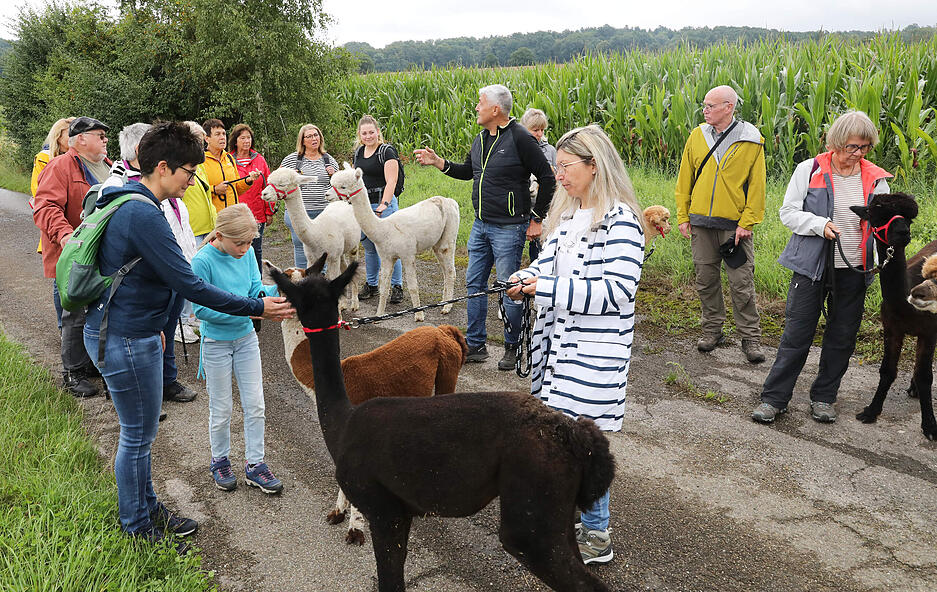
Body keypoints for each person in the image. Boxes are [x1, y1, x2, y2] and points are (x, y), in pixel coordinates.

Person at [81, 121, 293, 547]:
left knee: (142, 436)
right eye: (189, 172)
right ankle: (138, 527)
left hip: (132, 332)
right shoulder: (142, 213)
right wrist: (257, 308)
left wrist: (158, 327)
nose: (192, 181)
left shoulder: (136, 203)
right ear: (163, 167)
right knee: (137, 438)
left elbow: (148, 280)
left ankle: (147, 509)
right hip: (124, 338)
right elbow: (189, 284)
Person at [507, 124, 644, 565]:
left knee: (584, 444)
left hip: (594, 353)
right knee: (561, 441)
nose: (558, 175)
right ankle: (564, 523)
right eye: (557, 166)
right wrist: (524, 278)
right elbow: (545, 265)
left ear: (594, 165)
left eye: (566, 166)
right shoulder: (567, 218)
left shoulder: (622, 221)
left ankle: (597, 534)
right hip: (557, 347)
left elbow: (616, 291)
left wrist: (543, 288)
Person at [752, 111, 892, 425]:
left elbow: (883, 224)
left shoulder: (876, 179)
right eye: (853, 147)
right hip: (811, 267)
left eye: (865, 147)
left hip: (854, 269)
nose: (858, 154)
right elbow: (788, 213)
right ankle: (774, 399)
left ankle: (824, 398)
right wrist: (820, 224)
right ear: (836, 143)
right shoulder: (810, 169)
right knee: (796, 335)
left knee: (842, 337)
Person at [414, 85, 556, 370]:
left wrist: (536, 218)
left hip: (509, 229)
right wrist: (439, 163)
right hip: (480, 226)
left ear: (495, 109)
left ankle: (513, 346)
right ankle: (476, 345)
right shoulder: (480, 139)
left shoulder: (521, 138)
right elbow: (469, 171)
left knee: (509, 288)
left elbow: (547, 178)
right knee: (474, 284)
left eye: (480, 103)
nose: (476, 108)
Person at [192, 204, 284, 494]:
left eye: (249, 242)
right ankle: (220, 460)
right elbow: (202, 311)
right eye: (239, 243)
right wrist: (253, 310)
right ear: (219, 235)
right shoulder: (202, 262)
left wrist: (284, 287)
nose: (245, 249)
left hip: (246, 339)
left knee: (256, 404)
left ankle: (255, 464)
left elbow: (256, 291)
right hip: (216, 343)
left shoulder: (246, 254)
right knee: (221, 408)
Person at [675, 85, 767, 363]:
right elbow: (684, 178)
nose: (705, 111)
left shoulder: (751, 139)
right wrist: (683, 215)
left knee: (741, 284)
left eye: (710, 106)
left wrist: (747, 222)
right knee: (706, 280)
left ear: (729, 107)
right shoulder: (697, 135)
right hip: (701, 223)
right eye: (704, 105)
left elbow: (757, 186)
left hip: (734, 227)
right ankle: (712, 330)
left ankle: (750, 337)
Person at [33, 116, 113, 398]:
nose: (105, 139)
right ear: (81, 139)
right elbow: (45, 207)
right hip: (73, 257)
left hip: (102, 255)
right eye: (100, 135)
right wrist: (66, 236)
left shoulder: (108, 166)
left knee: (99, 312)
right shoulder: (60, 166)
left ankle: (90, 363)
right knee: (74, 314)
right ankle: (73, 373)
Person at [353, 115, 404, 304]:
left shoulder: (387, 152)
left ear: (378, 132)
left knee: (390, 248)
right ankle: (372, 284)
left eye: (371, 132)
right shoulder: (358, 153)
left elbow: (392, 180)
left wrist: (384, 204)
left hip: (384, 205)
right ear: (360, 135)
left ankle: (396, 286)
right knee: (369, 247)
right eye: (364, 133)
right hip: (364, 207)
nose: (368, 136)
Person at [30, 116, 74, 328]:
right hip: (56, 227)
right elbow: (39, 195)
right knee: (60, 277)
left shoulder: (85, 161)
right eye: (69, 134)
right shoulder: (44, 159)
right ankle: (63, 326)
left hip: (76, 225)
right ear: (58, 137)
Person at [279, 124, 339, 268]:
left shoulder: (329, 160)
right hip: (299, 212)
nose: (314, 139)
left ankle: (319, 276)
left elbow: (338, 187)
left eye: (316, 135)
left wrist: (334, 175)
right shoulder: (291, 160)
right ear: (302, 140)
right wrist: (290, 176)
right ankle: (302, 276)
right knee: (301, 245)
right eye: (309, 136)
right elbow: (277, 181)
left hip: (324, 213)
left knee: (323, 247)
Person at [228, 123, 272, 271]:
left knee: (255, 249)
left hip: (257, 213)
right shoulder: (228, 160)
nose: (247, 141)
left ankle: (257, 280)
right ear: (235, 141)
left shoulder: (259, 159)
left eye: (249, 138)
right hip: (236, 214)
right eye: (243, 138)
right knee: (237, 249)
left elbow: (267, 186)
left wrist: (269, 211)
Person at [520, 107, 557, 262]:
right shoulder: (517, 147)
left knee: (539, 248)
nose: (540, 134)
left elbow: (555, 178)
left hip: (541, 208)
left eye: (542, 130)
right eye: (535, 130)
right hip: (522, 208)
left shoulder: (550, 151)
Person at [202, 119, 252, 212]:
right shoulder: (200, 161)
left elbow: (236, 189)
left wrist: (248, 181)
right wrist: (214, 190)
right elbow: (196, 192)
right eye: (217, 134)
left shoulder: (229, 158)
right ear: (207, 138)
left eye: (224, 134)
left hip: (233, 215)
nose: (222, 137)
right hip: (214, 216)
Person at [181, 121, 217, 244]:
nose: (202, 148)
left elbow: (206, 194)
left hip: (208, 228)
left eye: (202, 143)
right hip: (192, 230)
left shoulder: (200, 165)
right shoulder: (176, 166)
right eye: (198, 142)